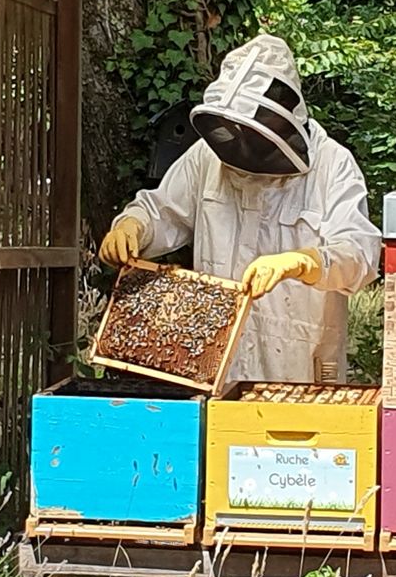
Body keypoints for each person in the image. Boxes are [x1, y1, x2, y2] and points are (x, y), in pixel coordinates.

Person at [99, 34, 381, 383]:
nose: (246, 148)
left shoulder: (333, 165)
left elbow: (360, 254)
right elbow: (162, 211)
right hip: (216, 368)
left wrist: (304, 261)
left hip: (303, 371)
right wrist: (133, 226)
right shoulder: (207, 157)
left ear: (284, 119)